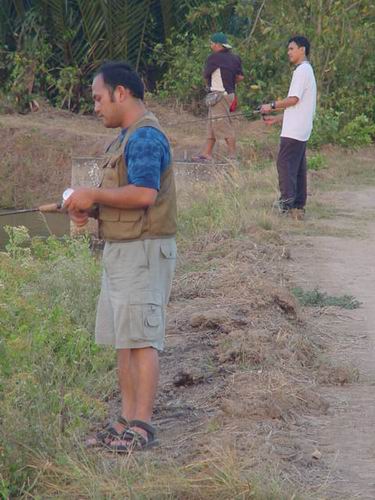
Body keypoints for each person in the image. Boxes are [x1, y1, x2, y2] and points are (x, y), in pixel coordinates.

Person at [64, 61, 177, 452]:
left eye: (98, 98)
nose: (95, 107)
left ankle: (141, 425)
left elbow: (143, 194)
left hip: (142, 251)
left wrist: (92, 195)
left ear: (121, 93)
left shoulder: (145, 137)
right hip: (122, 250)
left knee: (142, 339)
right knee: (124, 340)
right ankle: (125, 420)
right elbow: (120, 198)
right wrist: (88, 207)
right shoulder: (123, 139)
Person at [260, 35, 317, 220]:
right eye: (288, 49)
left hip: (294, 131)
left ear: (302, 50)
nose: (289, 52)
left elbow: (293, 100)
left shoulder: (301, 71)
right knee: (298, 168)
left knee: (284, 164)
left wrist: (272, 105)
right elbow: (299, 106)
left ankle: (286, 205)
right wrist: (277, 119)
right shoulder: (307, 70)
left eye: (292, 48)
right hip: (301, 128)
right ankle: (298, 207)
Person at [192, 32, 244, 162]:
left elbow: (206, 76)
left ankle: (232, 156)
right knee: (211, 124)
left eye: (212, 44)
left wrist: (210, 88)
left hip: (219, 96)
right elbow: (240, 77)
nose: (211, 46)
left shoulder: (213, 58)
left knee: (223, 125)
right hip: (229, 95)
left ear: (217, 45)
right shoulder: (235, 58)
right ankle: (206, 153)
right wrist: (229, 83)